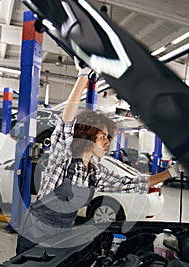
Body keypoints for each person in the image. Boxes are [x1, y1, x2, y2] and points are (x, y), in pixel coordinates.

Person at [16, 61, 176, 255]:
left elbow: (132, 183)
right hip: (34, 233)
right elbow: (65, 123)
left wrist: (170, 173)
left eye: (108, 138)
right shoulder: (63, 158)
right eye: (102, 137)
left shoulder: (95, 173)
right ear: (87, 136)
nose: (107, 142)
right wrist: (83, 76)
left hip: (61, 235)